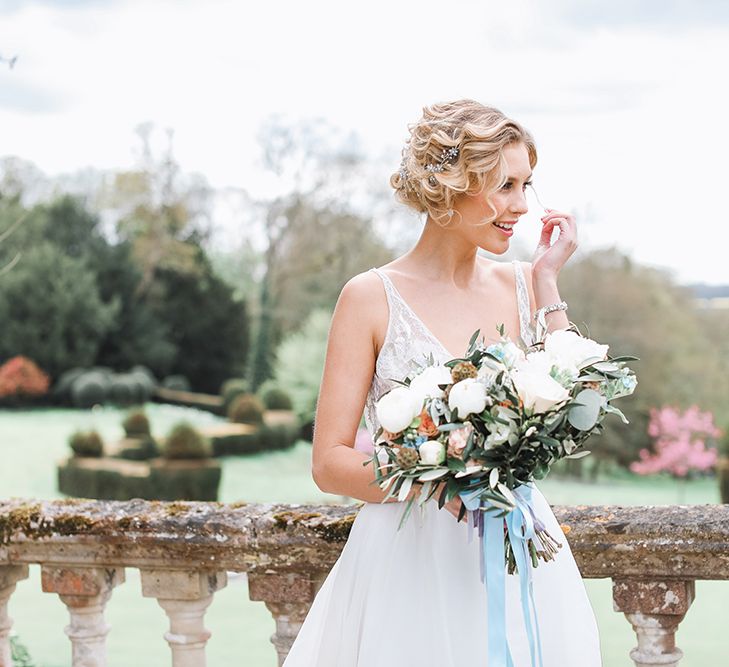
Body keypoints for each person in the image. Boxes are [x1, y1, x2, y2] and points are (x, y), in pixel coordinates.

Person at [282, 99, 602, 666]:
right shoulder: (368, 297)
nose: (522, 206)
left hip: (517, 549)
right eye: (505, 186)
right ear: (453, 185)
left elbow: (579, 406)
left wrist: (548, 279)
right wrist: (439, 479)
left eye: (527, 185)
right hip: (405, 561)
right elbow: (329, 462)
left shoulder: (525, 284)